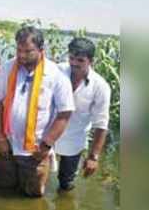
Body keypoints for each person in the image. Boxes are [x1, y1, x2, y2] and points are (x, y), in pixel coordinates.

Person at [0, 26, 75, 197]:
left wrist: (46, 146)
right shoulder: (8, 67)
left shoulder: (55, 74)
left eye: (28, 51)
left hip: (35, 150)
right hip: (6, 144)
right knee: (2, 189)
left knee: (32, 196)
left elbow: (65, 113)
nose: (21, 55)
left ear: (41, 50)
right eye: (19, 50)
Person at [54, 37, 111, 191]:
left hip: (74, 141)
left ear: (91, 61)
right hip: (47, 137)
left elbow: (101, 124)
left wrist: (93, 157)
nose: (74, 63)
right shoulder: (57, 71)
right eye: (71, 58)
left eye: (80, 60)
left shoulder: (101, 87)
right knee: (38, 178)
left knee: (66, 184)